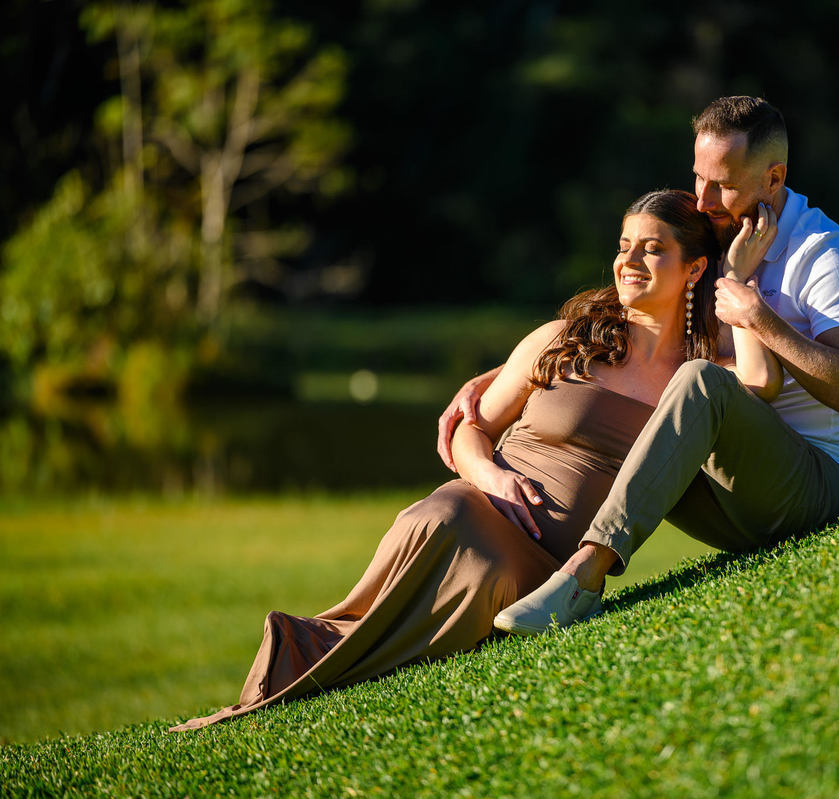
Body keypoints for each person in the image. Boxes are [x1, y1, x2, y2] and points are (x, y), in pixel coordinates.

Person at [169, 189, 779, 731]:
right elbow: (471, 428)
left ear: (695, 267)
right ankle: (310, 658)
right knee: (443, 523)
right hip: (476, 503)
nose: (629, 261)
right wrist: (491, 477)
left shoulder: (697, 380)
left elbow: (759, 383)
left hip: (551, 568)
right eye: (624, 246)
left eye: (652, 249)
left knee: (487, 573)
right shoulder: (562, 339)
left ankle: (322, 664)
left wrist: (742, 285)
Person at [439, 97, 839, 635]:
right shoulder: (717, 230)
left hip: (818, 483)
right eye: (699, 178)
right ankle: (522, 569)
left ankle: (586, 575)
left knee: (695, 380)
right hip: (727, 487)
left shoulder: (828, 254)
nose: (704, 199)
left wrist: (754, 312)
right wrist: (512, 370)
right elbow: (638, 300)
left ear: (774, 177)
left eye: (723, 185)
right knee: (631, 404)